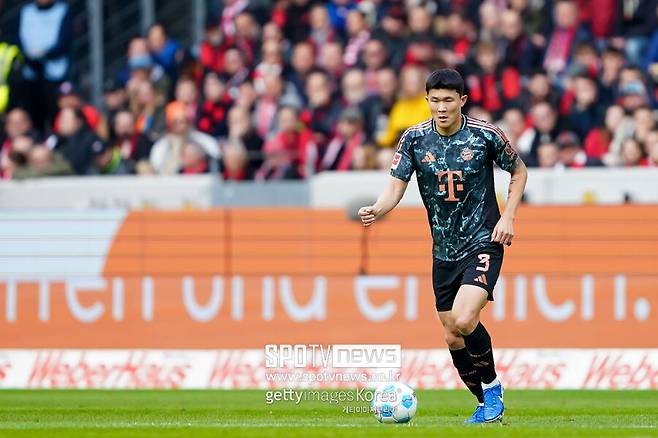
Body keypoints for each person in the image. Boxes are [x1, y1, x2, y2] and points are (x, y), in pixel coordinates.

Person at [358, 69, 528, 424]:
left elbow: (519, 170)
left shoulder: (485, 135)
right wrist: (377, 208)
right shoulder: (414, 139)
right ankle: (484, 404)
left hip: (484, 241)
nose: (441, 107)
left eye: (448, 100)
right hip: (443, 252)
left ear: (462, 100)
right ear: (427, 101)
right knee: (452, 335)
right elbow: (395, 187)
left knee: (465, 319)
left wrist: (508, 216)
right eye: (434, 100)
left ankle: (493, 389)